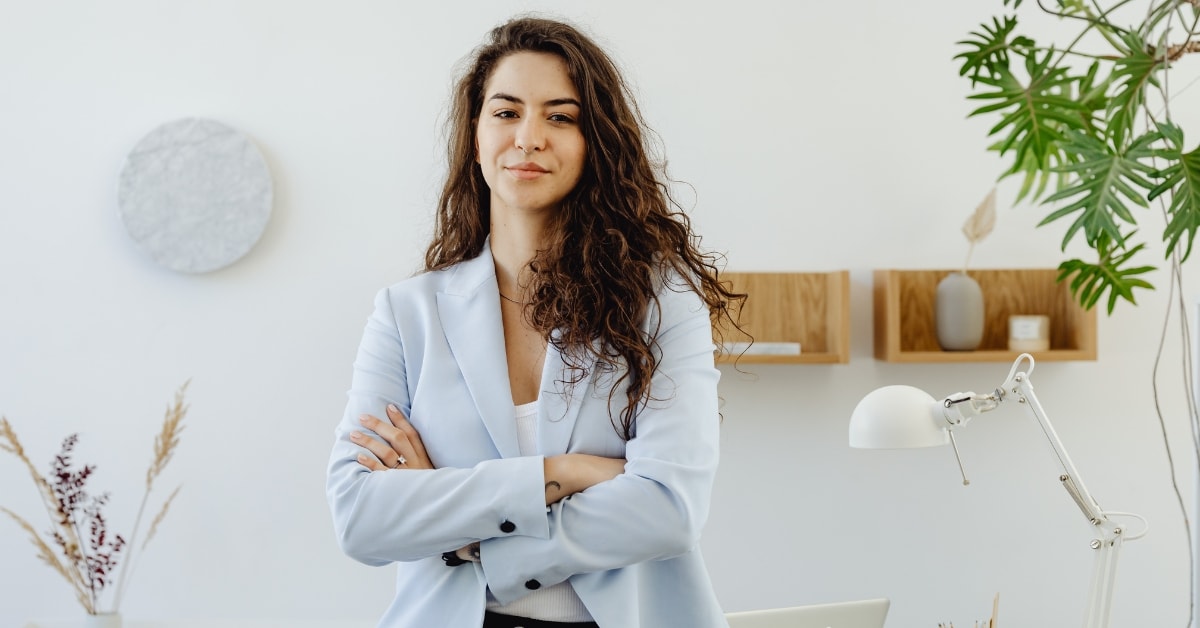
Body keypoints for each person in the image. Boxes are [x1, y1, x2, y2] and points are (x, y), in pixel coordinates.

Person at [326, 14, 745, 628]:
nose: (528, 137)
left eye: (560, 115)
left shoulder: (658, 300)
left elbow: (667, 507)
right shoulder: (406, 313)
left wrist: (467, 541)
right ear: (475, 133)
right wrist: (563, 474)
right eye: (505, 112)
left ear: (594, 141)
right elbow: (361, 517)